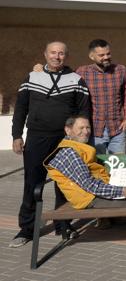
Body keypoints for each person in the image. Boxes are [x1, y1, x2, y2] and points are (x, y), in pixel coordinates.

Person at [10, 42, 91, 248]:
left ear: (66, 56)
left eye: (61, 53)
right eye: (53, 53)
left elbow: (83, 112)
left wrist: (80, 138)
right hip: (37, 138)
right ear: (45, 54)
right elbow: (21, 108)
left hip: (64, 140)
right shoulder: (32, 77)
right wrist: (17, 135)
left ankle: (62, 225)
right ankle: (27, 229)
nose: (57, 56)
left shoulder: (76, 80)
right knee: (32, 184)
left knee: (64, 183)